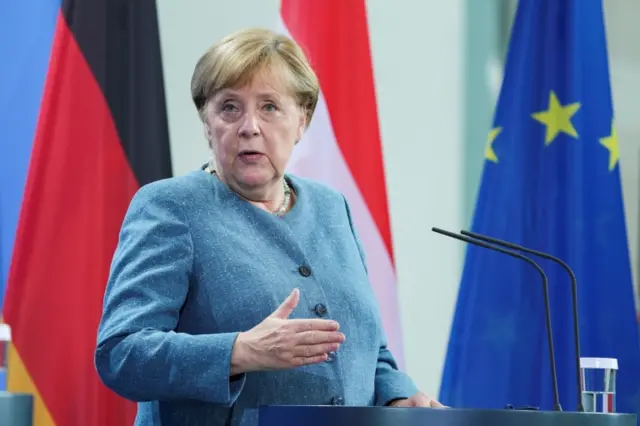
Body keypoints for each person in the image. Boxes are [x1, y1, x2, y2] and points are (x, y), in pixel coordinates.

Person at [94, 27, 445, 426]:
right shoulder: (171, 207)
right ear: (207, 123)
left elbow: (368, 350)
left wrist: (397, 395)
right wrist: (240, 351)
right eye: (229, 107)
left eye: (270, 107)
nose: (249, 127)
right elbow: (121, 354)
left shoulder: (333, 208)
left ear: (302, 121)